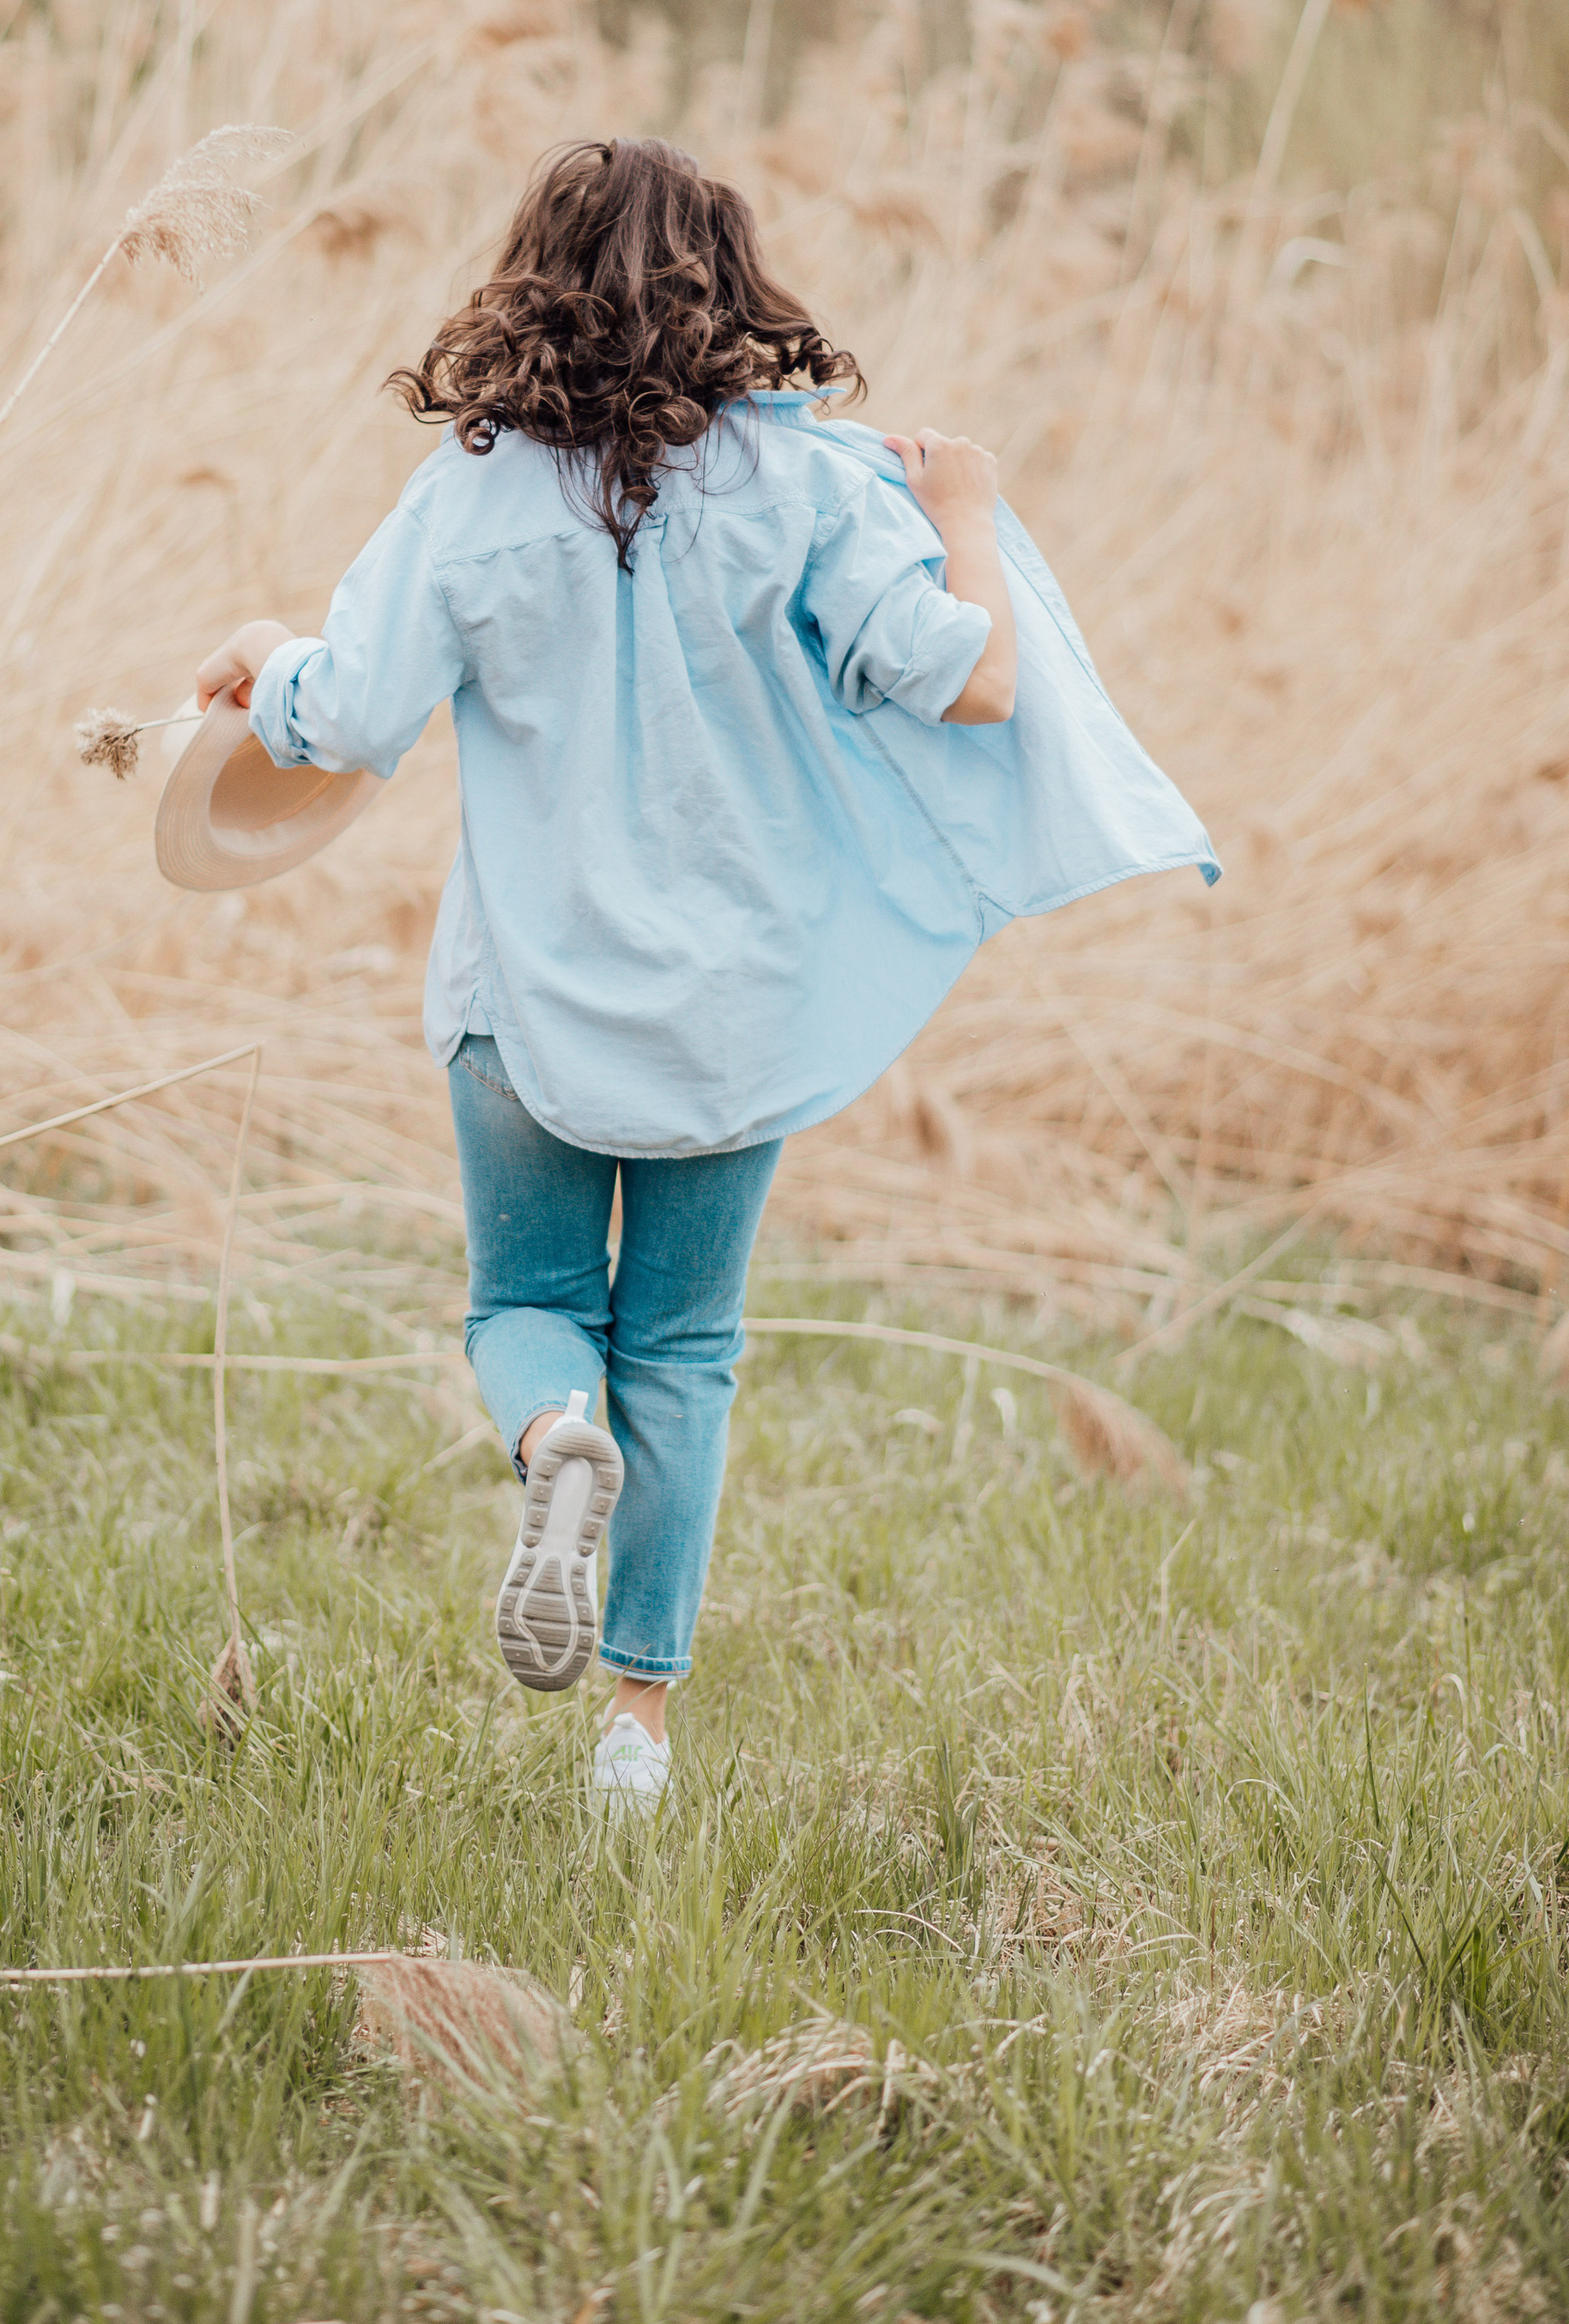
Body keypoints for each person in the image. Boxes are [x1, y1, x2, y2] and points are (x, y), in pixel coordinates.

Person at [196, 136, 1215, 1819]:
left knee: (525, 1309)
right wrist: (962, 510)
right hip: (733, 1007)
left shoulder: (471, 487)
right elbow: (970, 685)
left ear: (529, 282)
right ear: (727, 284)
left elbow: (354, 715)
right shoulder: (801, 484)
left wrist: (262, 657)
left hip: (522, 998)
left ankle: (551, 1441)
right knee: (681, 1349)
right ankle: (634, 1735)